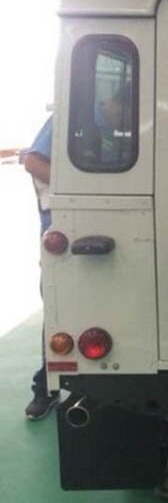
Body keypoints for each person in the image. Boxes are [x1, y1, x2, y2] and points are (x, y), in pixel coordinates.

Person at [22, 116, 59, 420]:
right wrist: (77, 187)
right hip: (62, 227)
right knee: (59, 309)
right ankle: (46, 386)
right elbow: (33, 161)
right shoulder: (77, 109)